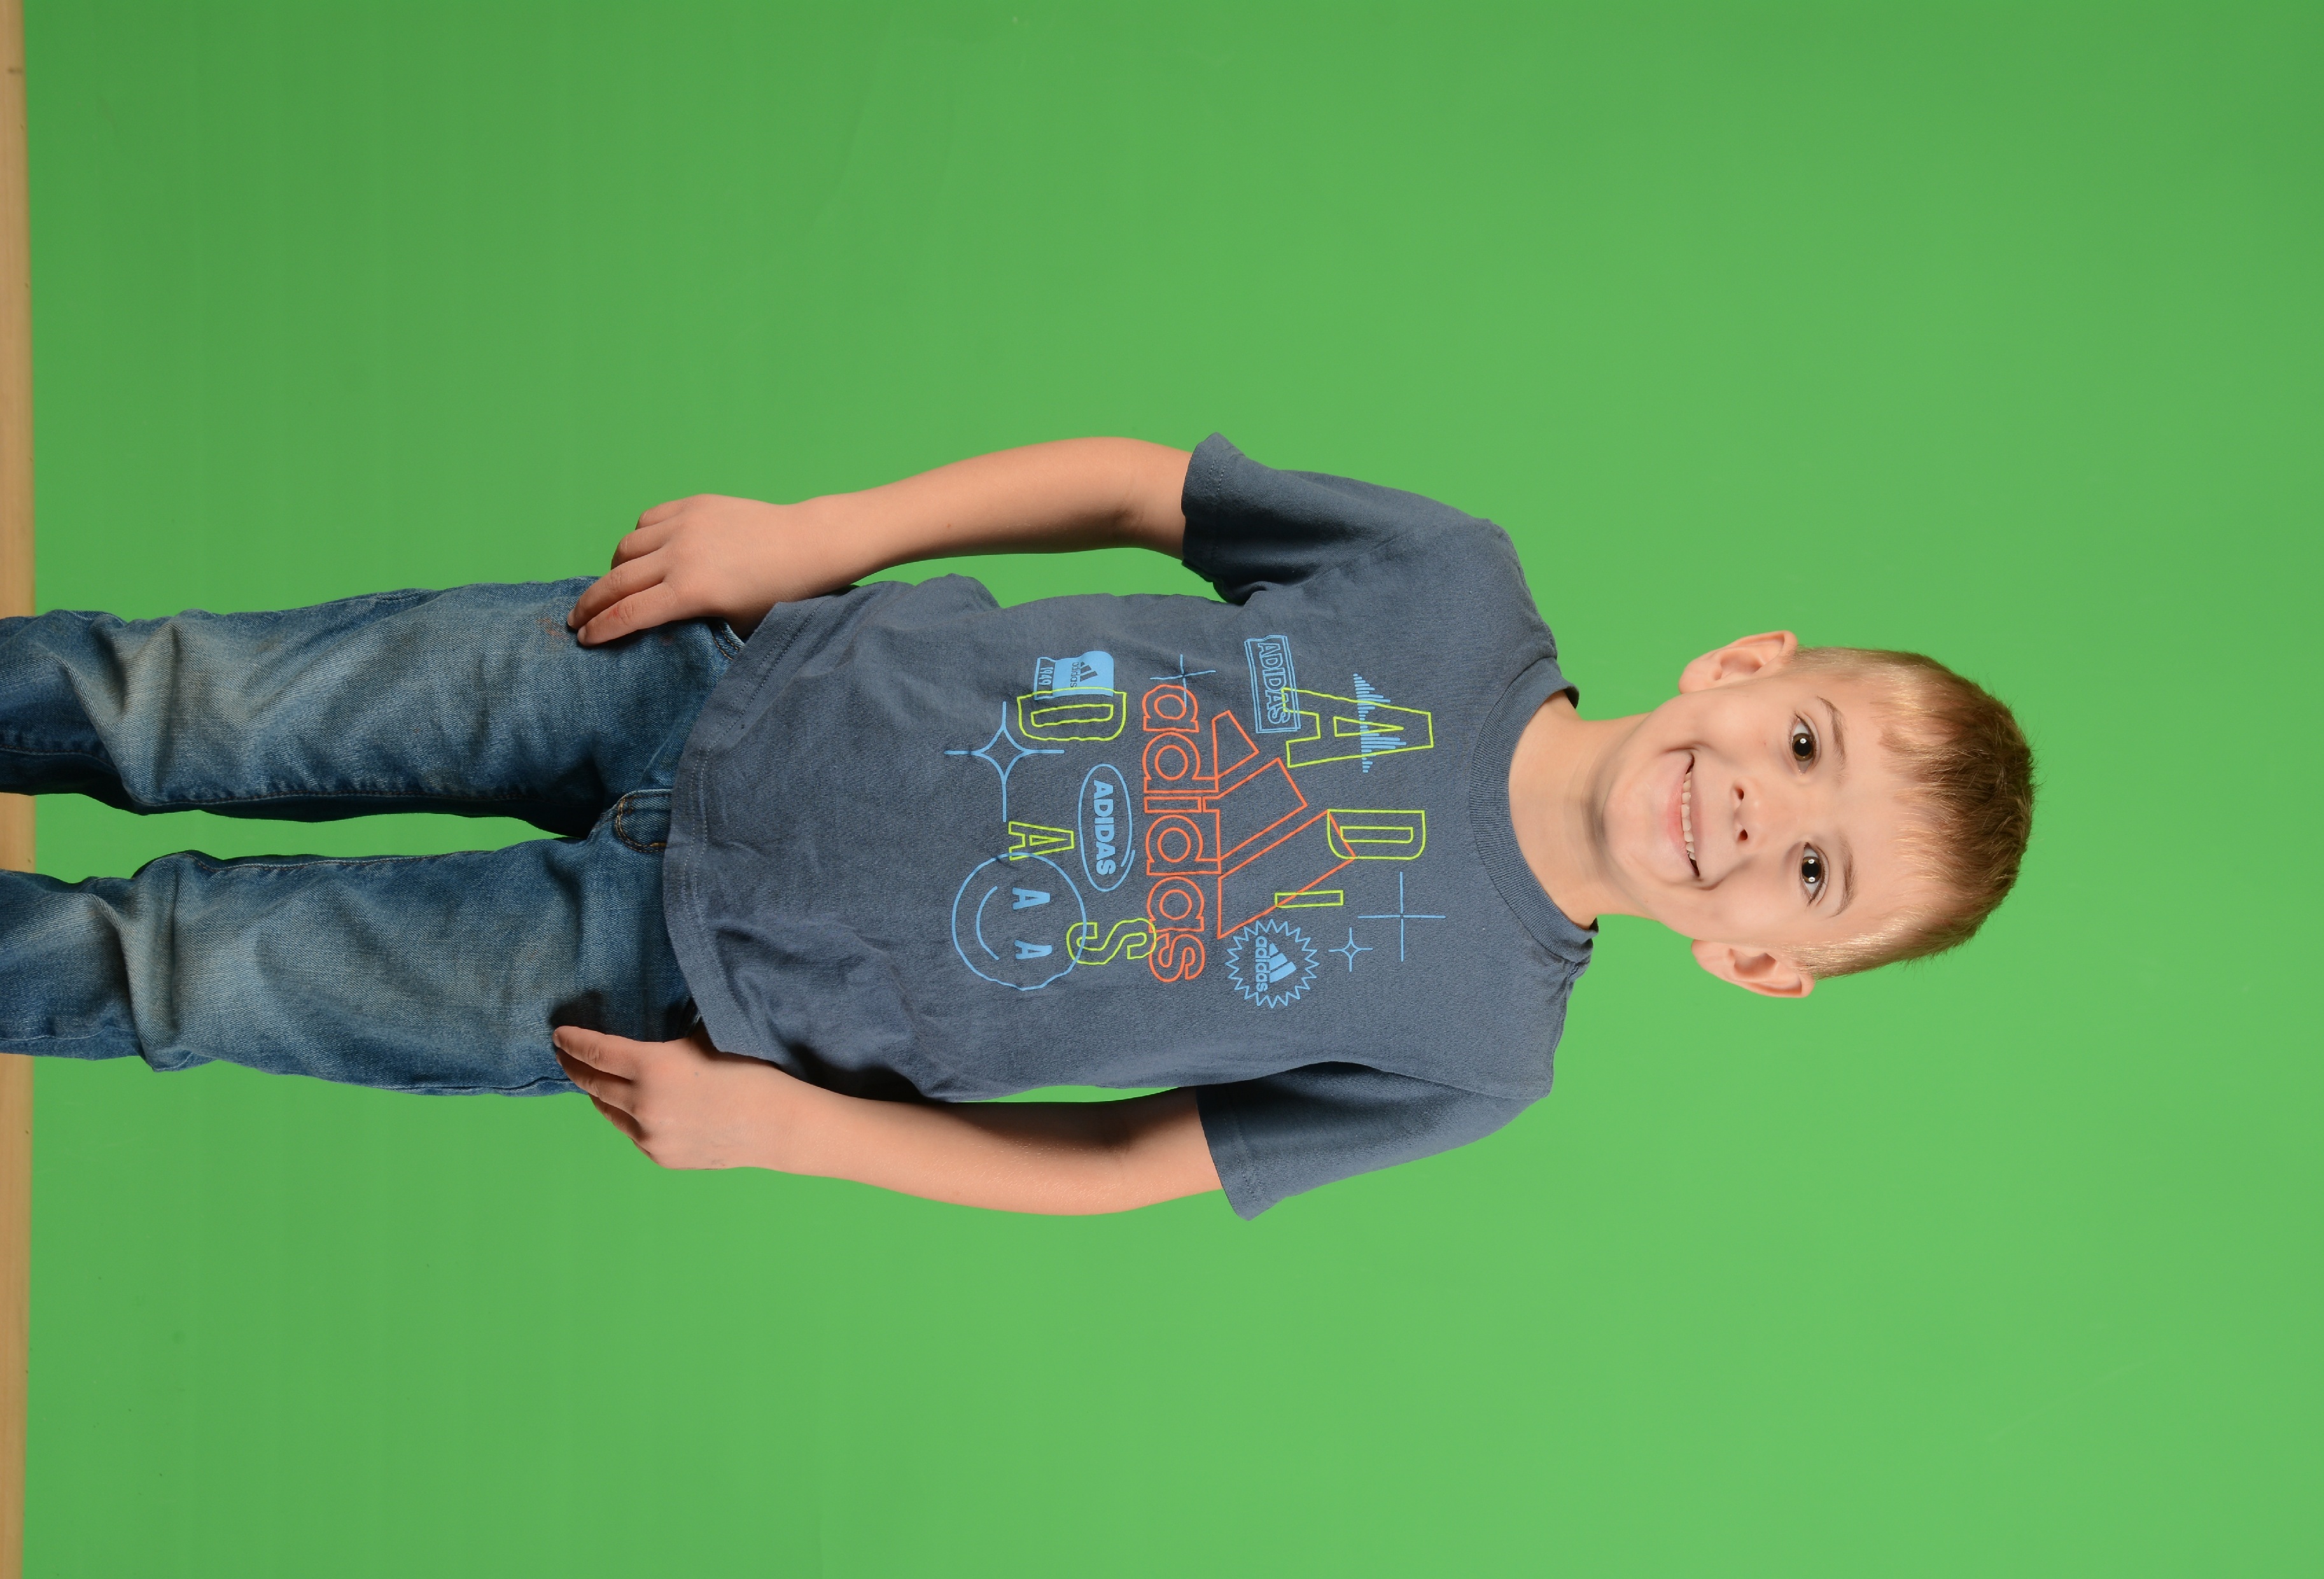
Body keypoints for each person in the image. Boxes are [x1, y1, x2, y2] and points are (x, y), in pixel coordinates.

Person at [0, 437, 2033, 1218]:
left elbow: (1131, 1165)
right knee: (189, 699)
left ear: (1761, 960)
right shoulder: (1453, 585)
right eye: (1803, 743)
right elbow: (1146, 488)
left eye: (1811, 867)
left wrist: (801, 1134)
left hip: (702, 991)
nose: (1751, 809)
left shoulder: (1478, 1056)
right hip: (712, 674)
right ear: (1746, 661)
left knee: (184, 972)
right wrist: (814, 533)